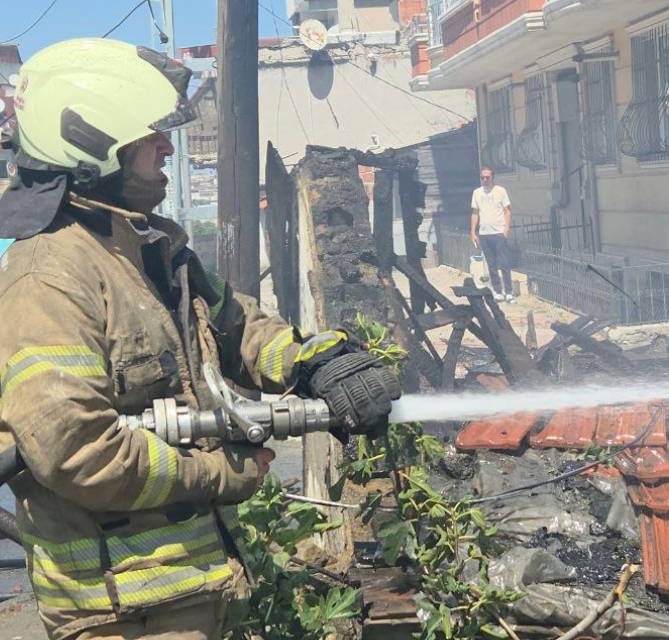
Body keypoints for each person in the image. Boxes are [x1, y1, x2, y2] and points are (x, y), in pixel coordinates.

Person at [0, 39, 401, 639]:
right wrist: (220, 473)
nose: (167, 147)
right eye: (149, 136)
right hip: (123, 614)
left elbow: (234, 326)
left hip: (189, 597)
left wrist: (311, 363)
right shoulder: (49, 279)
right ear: (94, 144)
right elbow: (77, 451)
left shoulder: (150, 252)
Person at [470, 167, 514, 301]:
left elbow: (507, 211)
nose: (485, 180)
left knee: (504, 263)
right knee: (491, 264)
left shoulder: (501, 191)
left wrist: (506, 229)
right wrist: (473, 231)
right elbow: (475, 213)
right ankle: (498, 291)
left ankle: (509, 291)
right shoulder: (477, 193)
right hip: (484, 234)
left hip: (498, 233)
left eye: (487, 177)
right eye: (482, 177)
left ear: (492, 177)